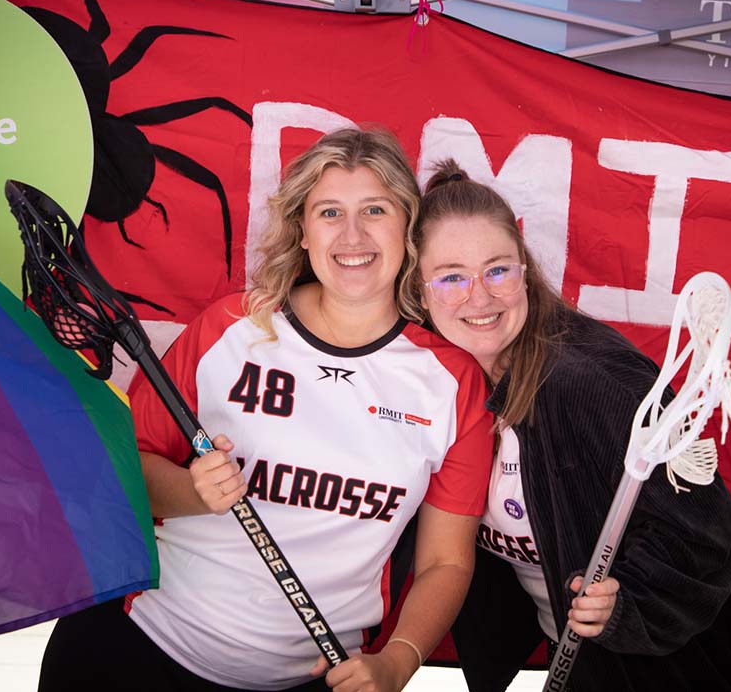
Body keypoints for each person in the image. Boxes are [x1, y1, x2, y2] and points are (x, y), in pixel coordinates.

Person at [39, 130, 492, 692]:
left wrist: (398, 660)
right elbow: (124, 473)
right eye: (329, 212)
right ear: (302, 231)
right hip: (134, 651)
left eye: (375, 209)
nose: (353, 235)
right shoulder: (229, 329)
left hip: (311, 678)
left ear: (408, 226)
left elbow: (445, 563)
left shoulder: (453, 384)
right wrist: (193, 491)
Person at [408, 161, 731, 691]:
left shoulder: (589, 382)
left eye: (497, 269)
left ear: (523, 261)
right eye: (451, 278)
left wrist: (627, 604)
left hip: (679, 671)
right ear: (420, 289)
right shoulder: (445, 381)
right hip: (577, 663)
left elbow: (701, 532)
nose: (480, 297)